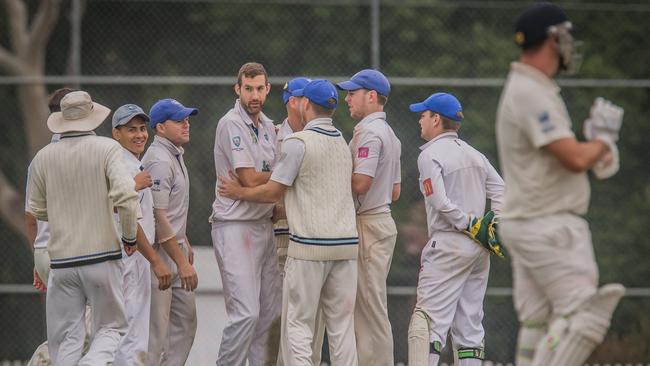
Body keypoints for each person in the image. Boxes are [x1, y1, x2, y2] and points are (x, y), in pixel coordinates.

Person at [496, 3, 625, 366]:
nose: (569, 43)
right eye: (565, 34)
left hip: (529, 222)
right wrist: (602, 139)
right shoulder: (531, 92)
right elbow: (574, 157)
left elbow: (568, 156)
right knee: (585, 316)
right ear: (552, 38)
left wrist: (594, 146)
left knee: (538, 321)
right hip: (547, 223)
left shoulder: (531, 87)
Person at [219, 79, 359, 366]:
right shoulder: (342, 143)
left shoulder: (298, 142)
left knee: (298, 324)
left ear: (305, 104)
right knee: (342, 328)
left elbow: (273, 191)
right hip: (346, 246)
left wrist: (239, 192)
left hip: (309, 246)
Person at [27, 90, 139, 365]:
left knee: (66, 339)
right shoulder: (107, 149)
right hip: (102, 256)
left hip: (61, 262)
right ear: (92, 117)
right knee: (110, 328)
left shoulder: (43, 157)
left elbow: (37, 209)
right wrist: (129, 236)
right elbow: (126, 196)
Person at [406, 92, 505, 366]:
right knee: (470, 326)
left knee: (427, 322)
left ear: (436, 119)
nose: (420, 121)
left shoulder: (430, 155)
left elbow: (438, 201)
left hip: (448, 243)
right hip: (478, 248)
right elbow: (500, 191)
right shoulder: (474, 154)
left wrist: (467, 223)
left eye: (423, 116)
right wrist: (491, 226)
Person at [210, 62, 282, 366]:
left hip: (264, 224)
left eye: (259, 88)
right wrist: (282, 174)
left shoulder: (267, 125)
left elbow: (266, 178)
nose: (254, 95)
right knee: (246, 313)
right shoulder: (231, 123)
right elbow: (249, 178)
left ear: (267, 89)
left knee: (270, 315)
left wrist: (277, 176)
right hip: (234, 225)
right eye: (248, 88)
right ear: (237, 89)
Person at [337, 68, 401, 366]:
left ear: (372, 96)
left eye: (353, 93)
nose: (347, 98)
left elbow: (361, 183)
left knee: (371, 308)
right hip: (379, 220)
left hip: (370, 223)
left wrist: (329, 179)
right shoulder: (388, 132)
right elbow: (396, 191)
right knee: (367, 306)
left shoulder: (371, 131)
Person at [110, 104, 173, 366]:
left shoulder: (133, 164)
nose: (139, 135)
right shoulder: (121, 167)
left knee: (134, 329)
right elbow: (127, 217)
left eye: (141, 128)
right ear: (116, 134)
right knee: (129, 330)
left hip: (135, 258)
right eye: (130, 130)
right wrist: (156, 261)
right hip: (128, 257)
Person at [143, 98, 199, 366]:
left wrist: (184, 241)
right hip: (159, 255)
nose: (186, 124)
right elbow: (157, 216)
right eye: (179, 120)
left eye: (187, 119)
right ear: (160, 127)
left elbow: (171, 211)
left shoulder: (173, 154)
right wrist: (179, 260)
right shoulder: (159, 160)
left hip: (174, 250)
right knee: (156, 334)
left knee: (186, 323)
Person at [275, 77, 326, 366]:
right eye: (301, 97)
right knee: (290, 314)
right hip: (286, 233)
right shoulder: (275, 135)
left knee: (312, 316)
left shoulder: (320, 135)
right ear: (291, 102)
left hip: (316, 235)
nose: (307, 103)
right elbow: (274, 187)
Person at [24, 87, 74, 366]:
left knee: (61, 330)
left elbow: (30, 216)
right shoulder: (89, 152)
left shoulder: (39, 159)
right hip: (72, 254)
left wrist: (37, 257)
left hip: (45, 251)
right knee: (86, 329)